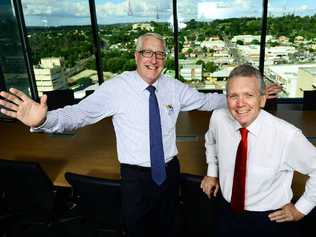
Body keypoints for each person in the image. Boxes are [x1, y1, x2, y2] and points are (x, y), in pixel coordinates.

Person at [0, 33, 280, 237]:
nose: (154, 59)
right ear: (136, 56)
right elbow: (77, 116)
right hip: (135, 177)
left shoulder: (173, 87)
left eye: (160, 54)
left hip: (170, 171)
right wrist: (45, 119)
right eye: (148, 52)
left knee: (171, 226)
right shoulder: (116, 88)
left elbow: (208, 102)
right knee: (138, 230)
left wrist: (247, 97)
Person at [200, 64, 316, 237]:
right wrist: (212, 172)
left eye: (249, 95)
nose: (240, 104)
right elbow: (211, 142)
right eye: (233, 96)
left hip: (268, 219)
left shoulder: (287, 136)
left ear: (262, 99)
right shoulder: (218, 118)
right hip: (226, 210)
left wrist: (301, 209)